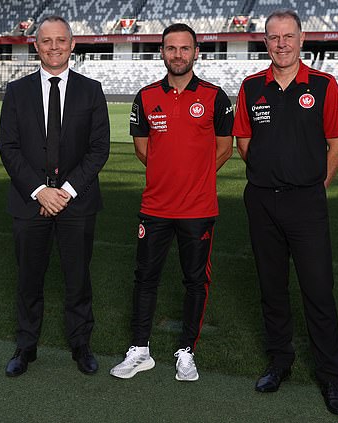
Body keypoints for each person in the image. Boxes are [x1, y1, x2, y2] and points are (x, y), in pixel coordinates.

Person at [232, 10, 338, 416]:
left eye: (288, 36)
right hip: (262, 201)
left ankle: (332, 378)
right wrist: (269, 172)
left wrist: (314, 188)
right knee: (272, 288)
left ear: (302, 39)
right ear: (265, 42)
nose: (281, 43)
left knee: (317, 291)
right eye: (273, 37)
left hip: (306, 203)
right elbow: (243, 140)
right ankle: (279, 362)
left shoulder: (322, 85)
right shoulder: (250, 87)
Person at [110, 23, 234, 382]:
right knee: (145, 278)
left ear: (196, 52)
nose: (177, 54)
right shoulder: (146, 96)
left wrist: (194, 175)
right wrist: (169, 173)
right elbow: (142, 148)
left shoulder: (215, 96)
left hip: (198, 209)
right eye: (171, 48)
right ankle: (140, 349)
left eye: (184, 48)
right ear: (161, 52)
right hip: (155, 207)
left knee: (195, 281)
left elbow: (225, 147)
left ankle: (186, 351)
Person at [0, 15, 110, 377]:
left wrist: (65, 191)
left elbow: (99, 149)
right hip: (29, 202)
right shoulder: (17, 92)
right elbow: (9, 148)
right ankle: (25, 347)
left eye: (61, 40)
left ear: (72, 44)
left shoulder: (91, 90)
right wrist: (40, 191)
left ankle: (81, 345)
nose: (54, 47)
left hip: (76, 202)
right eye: (46, 41)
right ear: (36, 46)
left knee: (78, 279)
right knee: (29, 279)